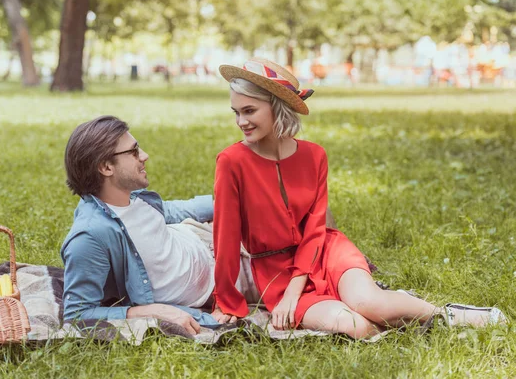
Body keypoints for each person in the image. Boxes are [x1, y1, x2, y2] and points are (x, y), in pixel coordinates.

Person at [211, 57, 507, 339]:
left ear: (276, 107)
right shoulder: (231, 161)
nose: (241, 121)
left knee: (369, 304)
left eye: (249, 111)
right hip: (275, 275)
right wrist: (226, 301)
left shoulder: (315, 156)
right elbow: (224, 236)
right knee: (353, 324)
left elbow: (316, 229)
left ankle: (447, 315)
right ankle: (398, 309)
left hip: (325, 250)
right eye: (236, 112)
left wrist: (295, 290)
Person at [60, 116, 258, 335]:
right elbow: (77, 314)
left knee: (279, 215)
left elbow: (170, 211)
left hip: (202, 235)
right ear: (106, 167)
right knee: (290, 271)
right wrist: (153, 311)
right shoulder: (90, 237)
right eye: (134, 152)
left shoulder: (128, 196)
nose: (144, 156)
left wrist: (226, 205)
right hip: (226, 277)